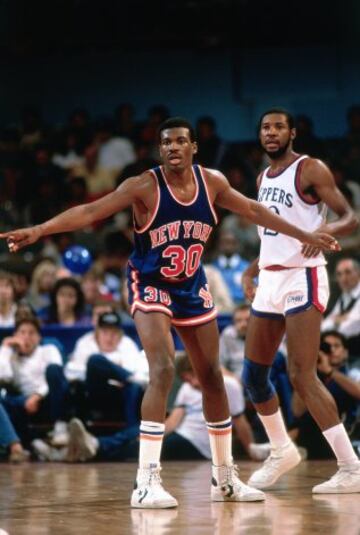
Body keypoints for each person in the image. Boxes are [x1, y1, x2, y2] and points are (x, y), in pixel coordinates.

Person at [0, 116, 338, 508]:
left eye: (180, 141)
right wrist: (41, 230)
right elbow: (92, 212)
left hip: (191, 286)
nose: (173, 148)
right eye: (166, 142)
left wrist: (304, 234)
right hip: (150, 284)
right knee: (161, 368)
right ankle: (146, 482)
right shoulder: (144, 185)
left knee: (212, 376)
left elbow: (255, 212)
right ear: (160, 149)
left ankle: (224, 478)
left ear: (194, 146)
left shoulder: (212, 183)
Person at [241, 108, 360, 494]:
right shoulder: (262, 177)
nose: (271, 132)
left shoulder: (310, 169)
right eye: (265, 127)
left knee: (301, 373)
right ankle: (282, 450)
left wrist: (321, 232)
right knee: (254, 377)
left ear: (292, 132)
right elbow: (274, 234)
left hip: (303, 276)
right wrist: (251, 269)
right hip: (271, 278)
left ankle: (350, 467)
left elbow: (350, 216)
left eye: (278, 126)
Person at [291, 330, 360, 459]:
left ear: (345, 353)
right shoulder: (314, 376)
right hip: (314, 432)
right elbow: (297, 411)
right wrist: (306, 373)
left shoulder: (353, 371)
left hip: (345, 431)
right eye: (327, 346)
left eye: (337, 346)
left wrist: (330, 371)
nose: (332, 350)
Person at [321, 258, 360, 360]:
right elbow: (324, 326)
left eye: (348, 272)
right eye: (339, 274)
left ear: (358, 273)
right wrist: (337, 320)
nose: (344, 278)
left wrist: (337, 321)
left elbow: (349, 326)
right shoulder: (342, 297)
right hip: (341, 355)